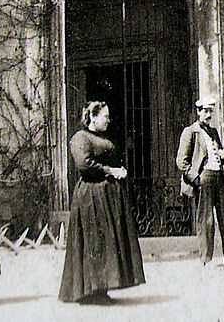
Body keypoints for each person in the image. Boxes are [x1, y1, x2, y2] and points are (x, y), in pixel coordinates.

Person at [59, 101, 145, 304]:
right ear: (93, 117)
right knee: (94, 241)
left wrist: (120, 169)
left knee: (106, 241)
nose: (108, 120)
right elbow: (84, 164)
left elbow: (111, 160)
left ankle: (102, 287)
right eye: (105, 117)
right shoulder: (80, 138)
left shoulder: (103, 138)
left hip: (106, 196)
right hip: (91, 197)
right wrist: (111, 171)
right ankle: (91, 289)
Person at [176, 96, 224, 267]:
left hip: (218, 177)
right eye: (205, 111)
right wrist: (197, 179)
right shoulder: (190, 132)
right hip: (203, 178)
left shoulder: (214, 132)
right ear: (198, 112)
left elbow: (217, 154)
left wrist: (223, 156)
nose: (208, 114)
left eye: (210, 111)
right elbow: (181, 161)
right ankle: (206, 259)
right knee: (206, 220)